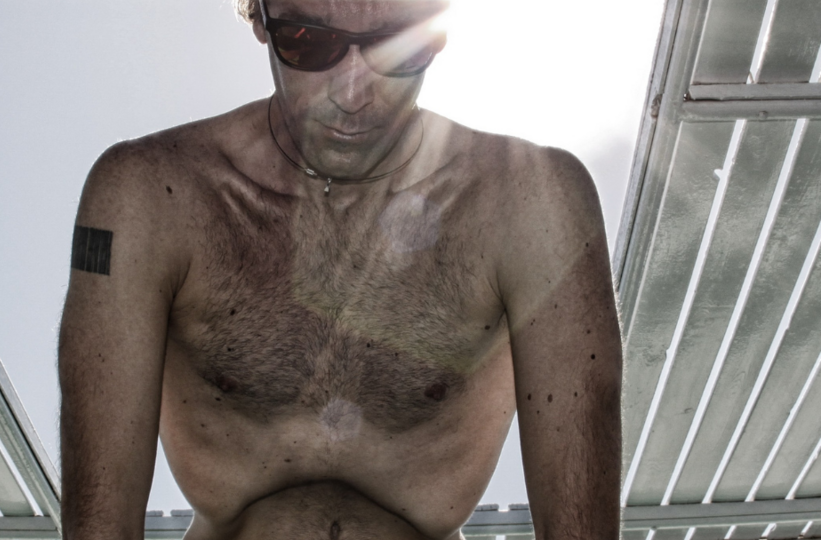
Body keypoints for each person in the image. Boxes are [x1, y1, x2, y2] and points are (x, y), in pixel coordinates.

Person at [57, 0, 622, 538]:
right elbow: (100, 525)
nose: (353, 94)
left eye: (399, 45)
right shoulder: (141, 197)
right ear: (260, 17)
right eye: (307, 41)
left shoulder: (535, 203)